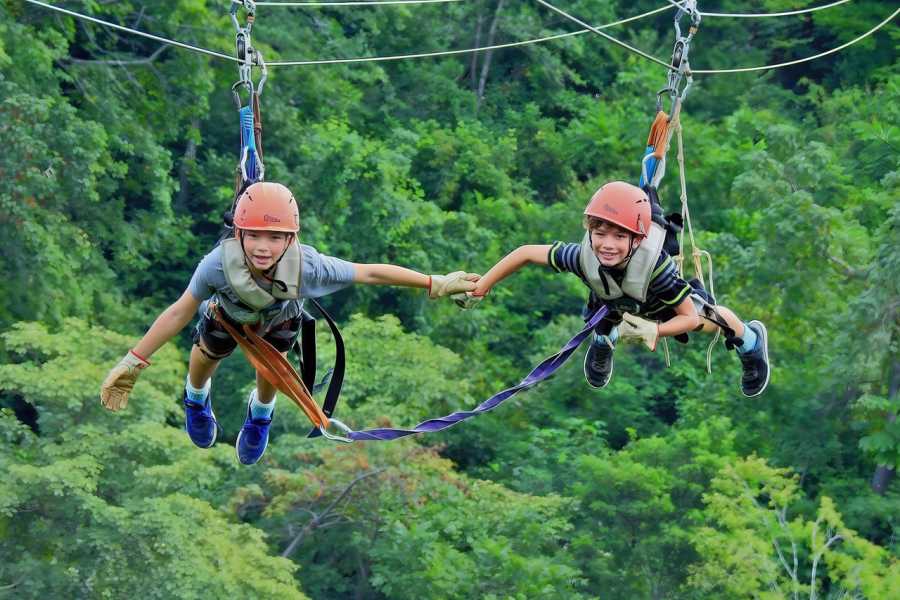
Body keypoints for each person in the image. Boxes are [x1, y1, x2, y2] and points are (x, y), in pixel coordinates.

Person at [99, 181, 478, 464]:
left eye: (276, 237)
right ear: (239, 233)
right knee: (208, 349)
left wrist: (435, 282)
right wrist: (134, 361)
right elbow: (180, 310)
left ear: (291, 238)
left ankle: (260, 413)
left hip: (278, 323)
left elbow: (370, 274)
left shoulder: (308, 266)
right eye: (255, 237)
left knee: (273, 365)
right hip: (228, 317)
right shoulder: (218, 263)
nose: (264, 246)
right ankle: (196, 398)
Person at [460, 181, 770, 397]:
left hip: (660, 306)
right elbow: (526, 252)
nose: (607, 245)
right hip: (612, 303)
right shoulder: (582, 257)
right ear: (590, 231)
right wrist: (484, 285)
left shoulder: (658, 269)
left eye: (619, 237)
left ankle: (752, 341)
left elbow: (688, 318)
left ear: (637, 240)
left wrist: (652, 330)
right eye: (600, 233)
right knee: (605, 315)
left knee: (711, 319)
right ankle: (603, 341)